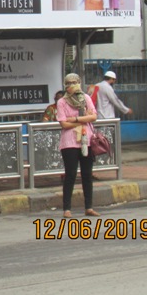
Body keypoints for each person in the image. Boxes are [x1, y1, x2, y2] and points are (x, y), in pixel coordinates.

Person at [56, 73, 99, 218]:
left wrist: (75, 119)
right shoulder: (62, 102)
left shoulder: (85, 98)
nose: (71, 86)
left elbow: (93, 116)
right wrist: (83, 120)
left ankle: (89, 207)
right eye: (68, 83)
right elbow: (64, 124)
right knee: (71, 174)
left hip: (87, 140)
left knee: (87, 174)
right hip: (69, 143)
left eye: (74, 82)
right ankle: (67, 209)